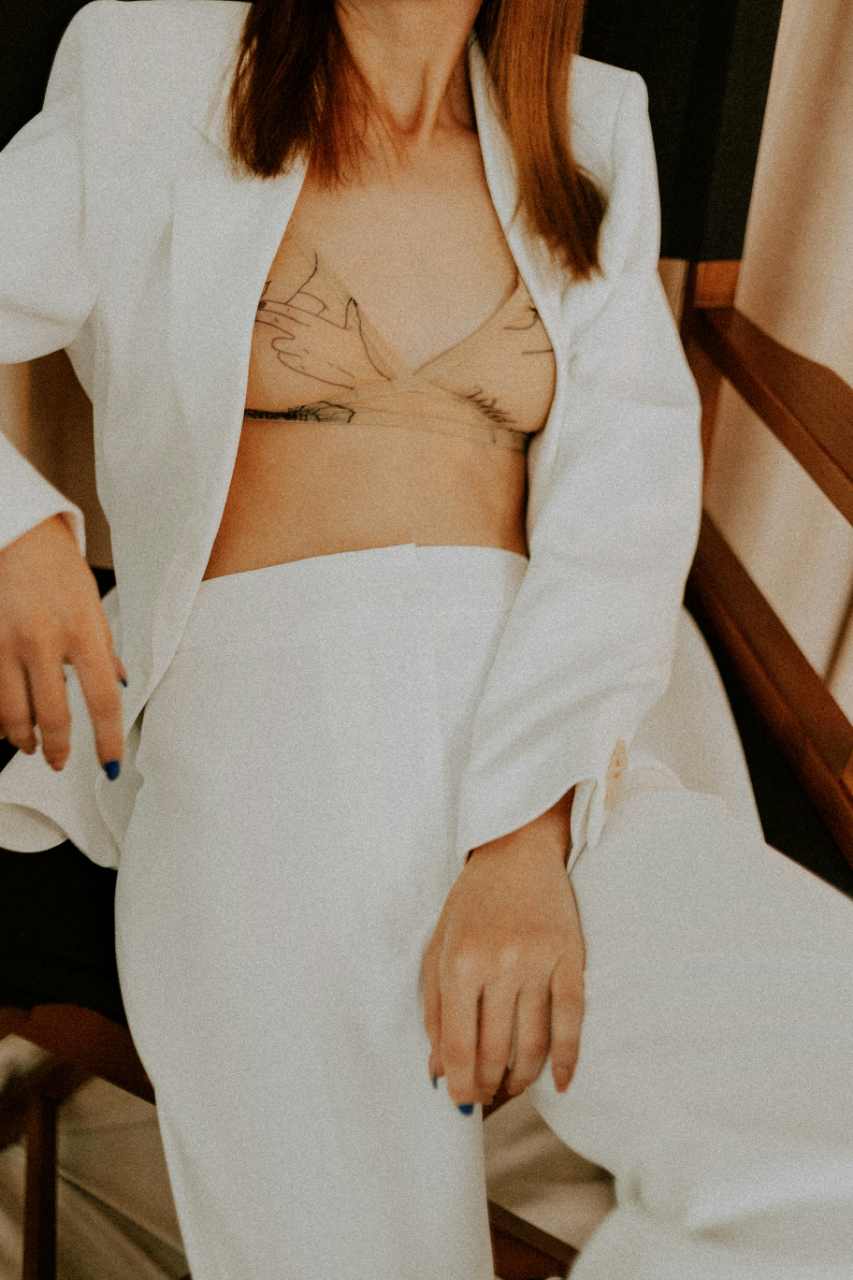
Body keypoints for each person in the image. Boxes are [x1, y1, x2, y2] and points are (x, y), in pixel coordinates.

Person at [1, 1, 852, 1277]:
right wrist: (18, 532)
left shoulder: (592, 126)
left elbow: (623, 515)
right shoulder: (152, 65)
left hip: (560, 725)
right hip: (262, 725)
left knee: (821, 1119)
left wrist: (521, 835)